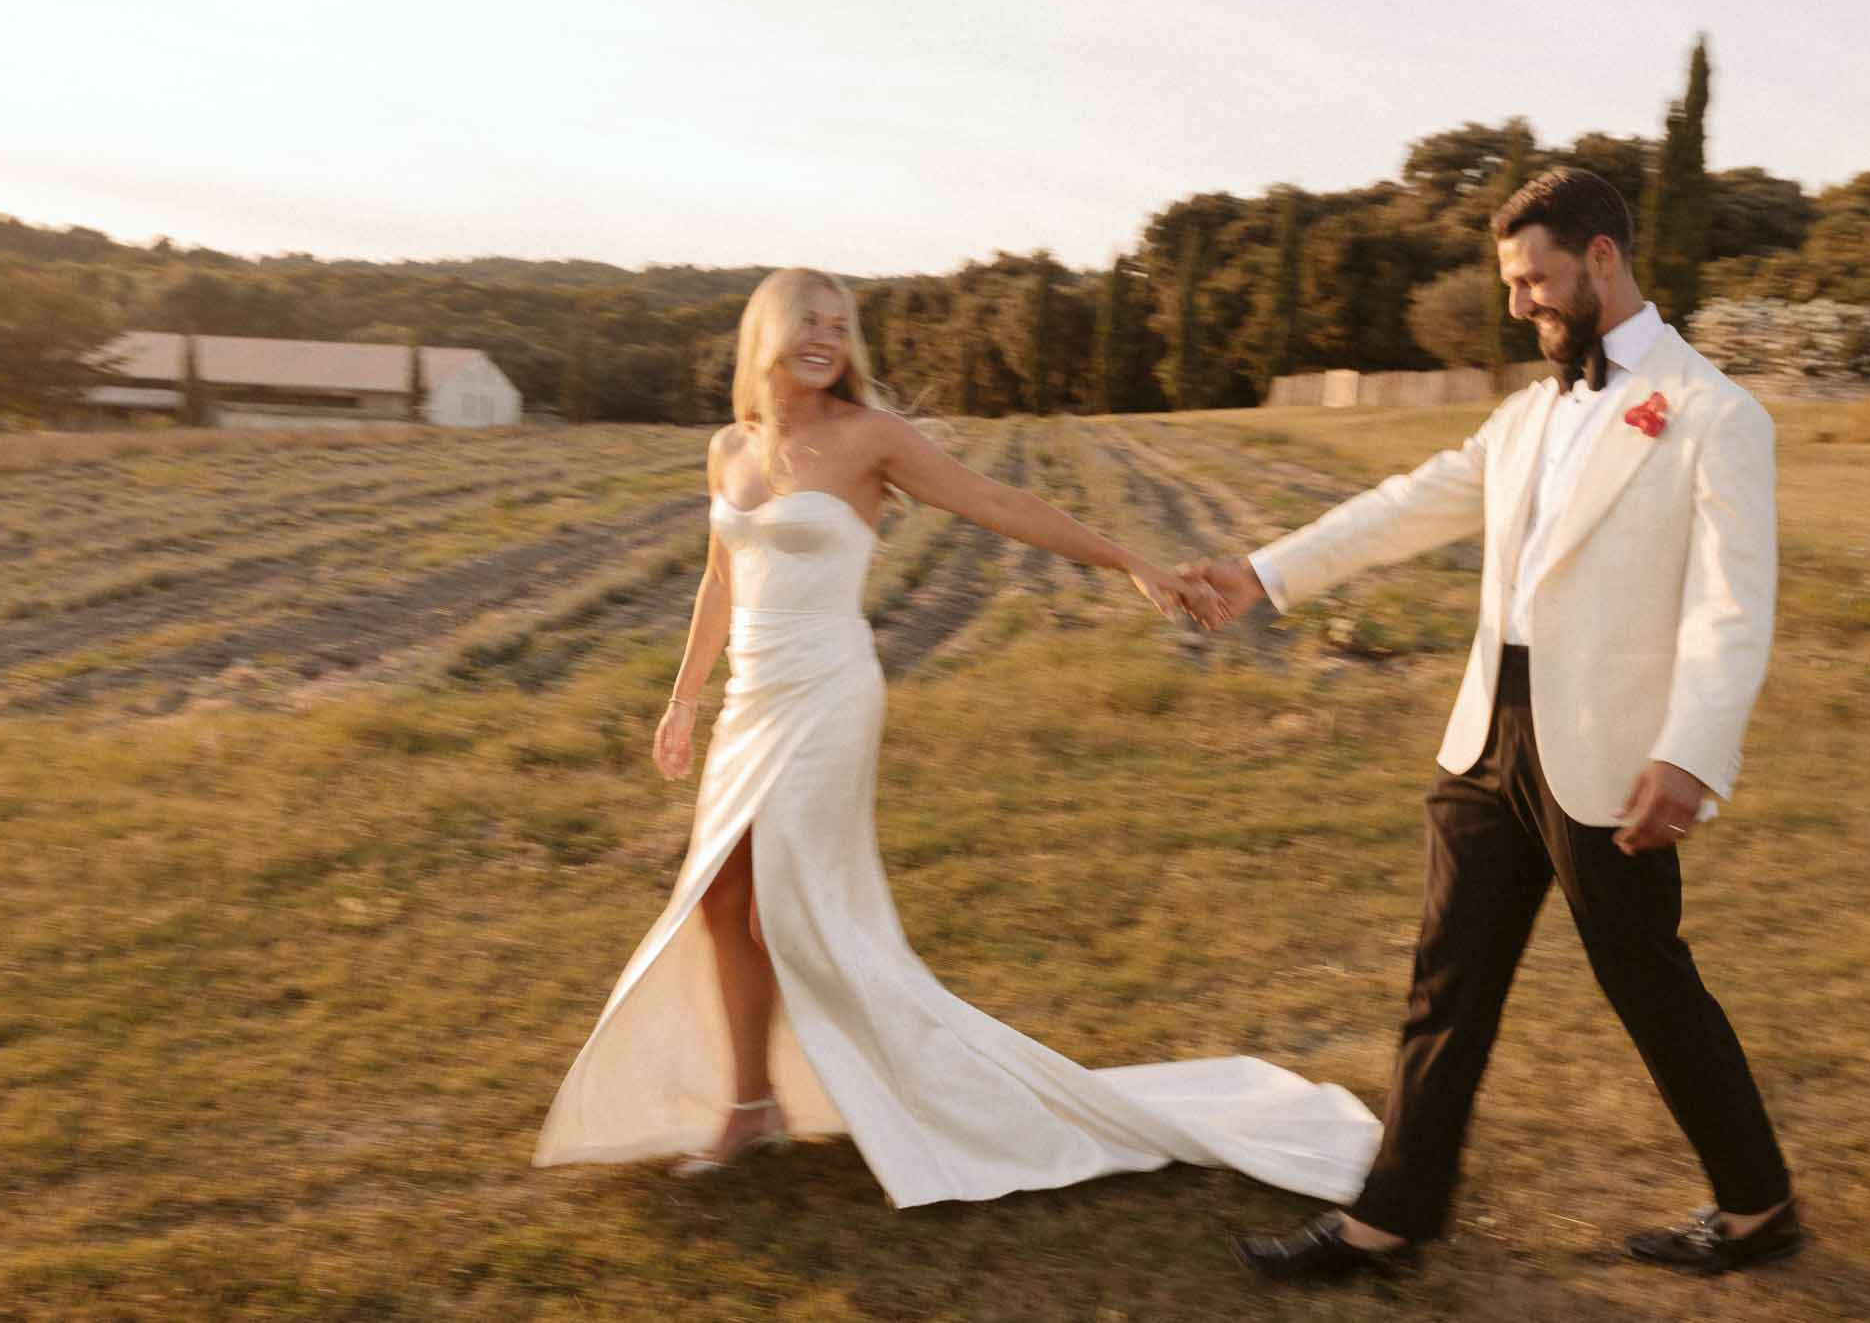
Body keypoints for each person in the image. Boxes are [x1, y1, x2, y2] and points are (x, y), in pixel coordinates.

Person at [532, 267, 1381, 1209]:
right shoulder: (728, 446)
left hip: (827, 696)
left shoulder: (870, 440)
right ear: (763, 331)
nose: (826, 339)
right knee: (721, 901)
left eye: (839, 326)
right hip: (749, 702)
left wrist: (1130, 560)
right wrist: (683, 698)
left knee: (796, 908)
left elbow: (1003, 505)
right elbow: (719, 581)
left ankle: (929, 1088)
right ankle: (752, 1101)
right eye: (807, 322)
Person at [1186, 168, 1798, 1281]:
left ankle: (1757, 1207)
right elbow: (1404, 505)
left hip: (1610, 750)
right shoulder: (1524, 414)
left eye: (1534, 280)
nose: (1519, 303)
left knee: (1645, 982)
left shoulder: (1714, 413)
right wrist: (1261, 575)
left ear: (1601, 260)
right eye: (1511, 283)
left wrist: (1690, 752)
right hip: (1483, 738)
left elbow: (1730, 605)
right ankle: (1390, 1223)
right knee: (1444, 983)